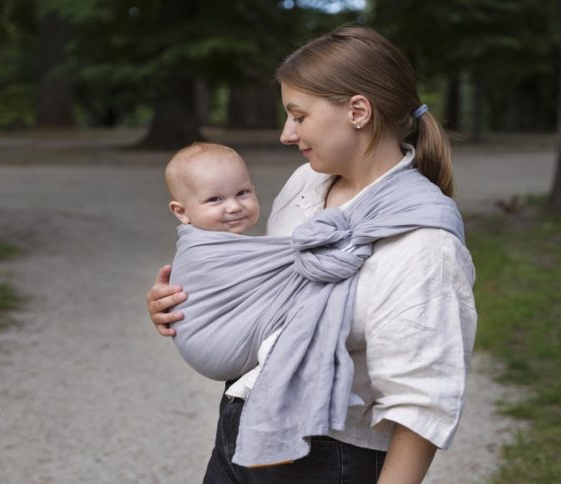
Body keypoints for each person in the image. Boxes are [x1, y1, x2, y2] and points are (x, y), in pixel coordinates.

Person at [147, 25, 477, 484]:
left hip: (330, 458)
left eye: (298, 116)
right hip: (247, 424)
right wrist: (190, 302)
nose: (286, 134)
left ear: (358, 111)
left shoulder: (424, 241)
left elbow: (424, 405)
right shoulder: (307, 184)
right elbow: (275, 294)